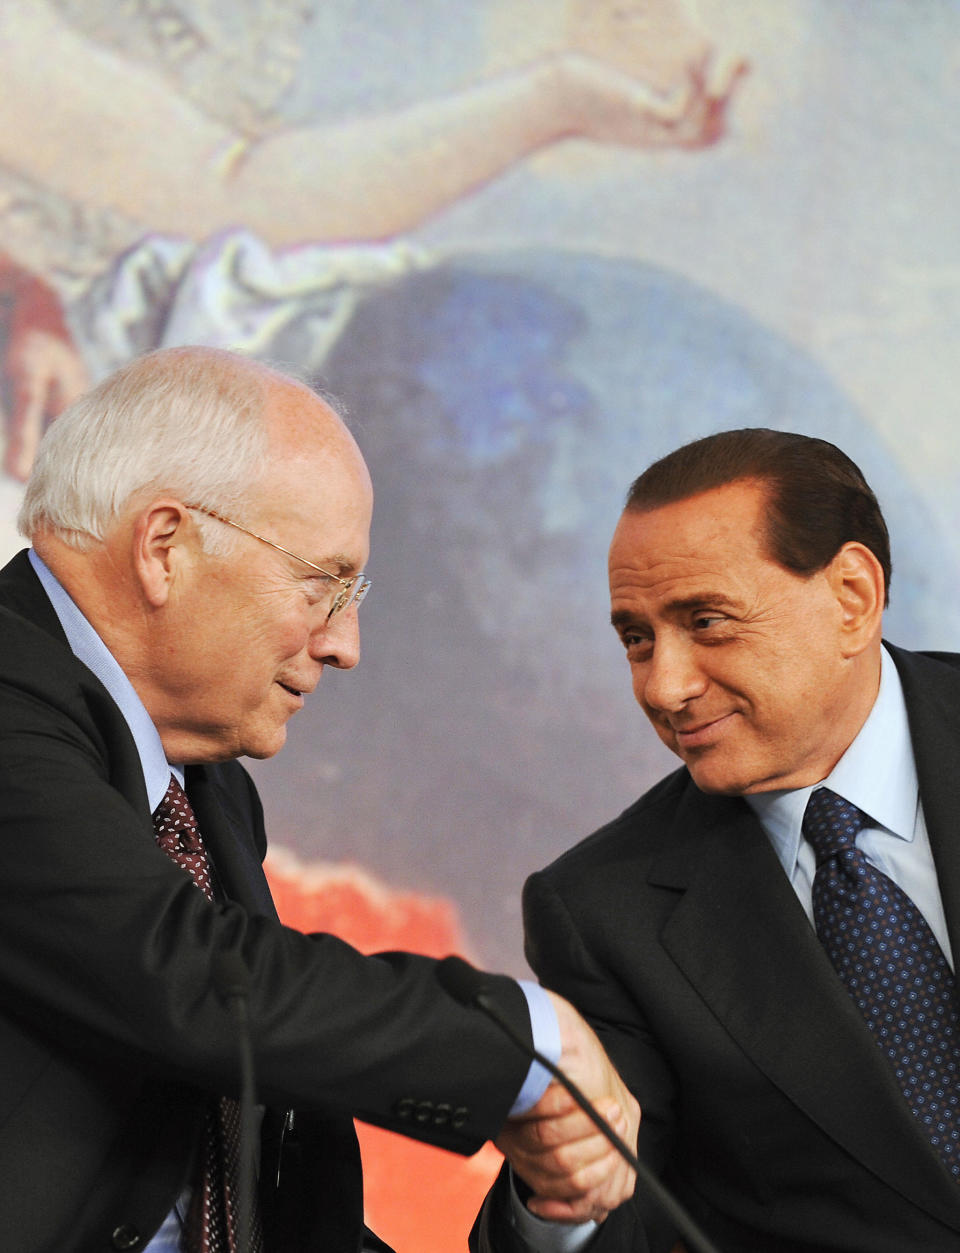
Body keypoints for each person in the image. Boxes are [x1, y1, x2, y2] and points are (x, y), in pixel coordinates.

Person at [0, 344, 639, 1253]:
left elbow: (277, 1198)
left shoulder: (209, 791)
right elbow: (180, 980)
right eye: (326, 583)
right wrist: (522, 1042)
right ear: (165, 547)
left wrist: (545, 1215)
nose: (345, 644)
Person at [474, 428, 960, 1252]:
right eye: (637, 638)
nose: (664, 685)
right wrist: (556, 1181)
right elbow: (613, 1209)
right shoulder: (605, 910)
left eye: (707, 621)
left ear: (851, 596)